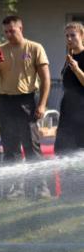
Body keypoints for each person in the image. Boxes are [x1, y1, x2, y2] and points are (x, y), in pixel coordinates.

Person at [0, 15, 50, 198]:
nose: (8, 35)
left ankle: (41, 187)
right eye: (5, 32)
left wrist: (42, 104)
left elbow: (45, 79)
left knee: (31, 147)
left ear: (21, 28)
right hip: (6, 102)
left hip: (26, 101)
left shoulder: (35, 48)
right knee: (10, 148)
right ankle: (15, 188)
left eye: (11, 31)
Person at [55, 22, 84, 155]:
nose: (69, 39)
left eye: (73, 35)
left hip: (81, 112)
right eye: (67, 36)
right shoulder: (70, 57)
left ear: (82, 36)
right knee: (62, 150)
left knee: (79, 151)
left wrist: (77, 69)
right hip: (68, 110)